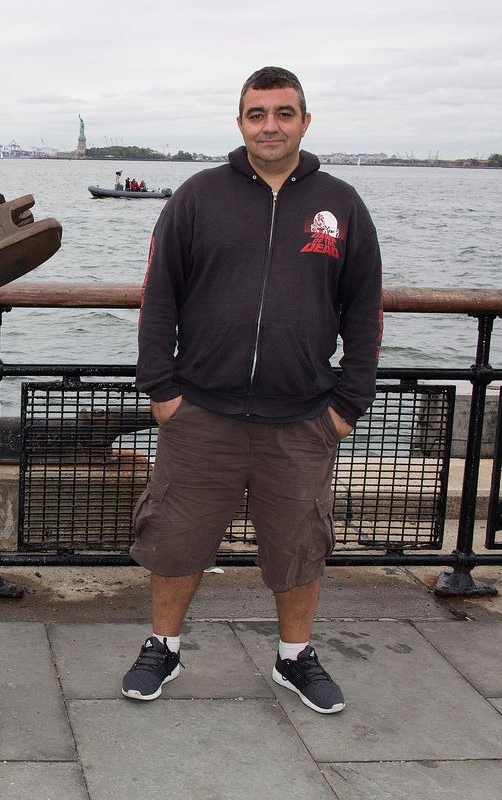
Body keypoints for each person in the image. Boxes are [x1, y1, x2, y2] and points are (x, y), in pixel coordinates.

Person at [121, 66, 382, 714]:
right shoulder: (196, 198)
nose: (271, 125)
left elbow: (365, 312)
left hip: (301, 419)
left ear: (304, 121)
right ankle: (164, 645)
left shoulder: (342, 205)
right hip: (200, 412)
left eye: (284, 112)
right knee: (177, 538)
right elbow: (159, 301)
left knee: (298, 546)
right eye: (258, 113)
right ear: (240, 122)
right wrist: (162, 392)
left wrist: (346, 407)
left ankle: (294, 658)